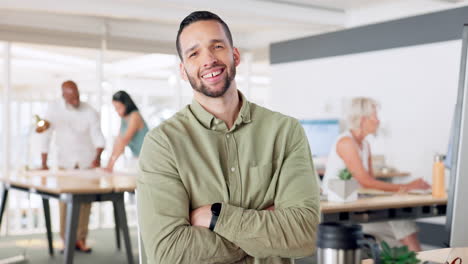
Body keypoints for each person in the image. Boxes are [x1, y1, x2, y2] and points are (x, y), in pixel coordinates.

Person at [137, 11, 320, 264]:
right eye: (194, 53)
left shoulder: (285, 131)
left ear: (235, 55)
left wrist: (216, 218)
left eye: (217, 46)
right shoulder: (163, 143)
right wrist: (266, 234)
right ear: (183, 70)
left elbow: (304, 233)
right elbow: (169, 253)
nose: (209, 59)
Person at [323, 97, 431, 251]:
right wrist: (407, 186)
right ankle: (416, 257)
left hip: (358, 204)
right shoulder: (346, 143)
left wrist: (402, 190)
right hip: (342, 210)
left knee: (401, 221)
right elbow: (366, 182)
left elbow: (370, 182)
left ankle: (412, 257)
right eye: (375, 116)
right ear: (363, 119)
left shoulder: (364, 144)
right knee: (401, 222)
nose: (378, 121)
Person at [40, 80, 105, 253]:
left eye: (77, 95)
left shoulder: (90, 111)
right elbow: (45, 135)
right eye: (72, 97)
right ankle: (65, 239)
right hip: (65, 163)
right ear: (64, 95)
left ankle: (80, 240)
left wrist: (98, 157)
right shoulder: (53, 109)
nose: (76, 99)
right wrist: (43, 162)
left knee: (85, 204)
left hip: (86, 163)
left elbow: (98, 137)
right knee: (65, 204)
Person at [105, 90, 149, 172]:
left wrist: (110, 166)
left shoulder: (135, 116)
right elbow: (118, 141)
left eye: (119, 108)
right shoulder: (124, 118)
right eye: (115, 108)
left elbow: (124, 141)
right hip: (138, 158)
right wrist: (109, 165)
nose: (117, 111)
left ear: (126, 104)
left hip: (148, 158)